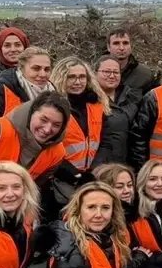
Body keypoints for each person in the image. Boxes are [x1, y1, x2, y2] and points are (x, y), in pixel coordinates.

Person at [49, 56, 124, 207]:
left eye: (82, 77)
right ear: (61, 78)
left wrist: (94, 170)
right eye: (71, 77)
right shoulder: (52, 107)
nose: (78, 82)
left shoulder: (96, 105)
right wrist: (74, 174)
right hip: (60, 178)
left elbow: (105, 141)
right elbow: (48, 146)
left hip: (91, 175)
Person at [0, 47, 54, 125]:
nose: (43, 74)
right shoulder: (1, 89)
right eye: (36, 68)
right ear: (21, 68)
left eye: (47, 69)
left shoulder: (53, 91)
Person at [95, 55, 143, 125]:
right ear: (95, 73)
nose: (112, 76)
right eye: (107, 72)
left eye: (116, 72)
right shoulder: (89, 98)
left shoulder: (132, 97)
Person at [107, 29, 156, 94]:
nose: (121, 48)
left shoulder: (145, 75)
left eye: (125, 43)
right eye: (116, 43)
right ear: (108, 47)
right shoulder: (97, 74)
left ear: (131, 46)